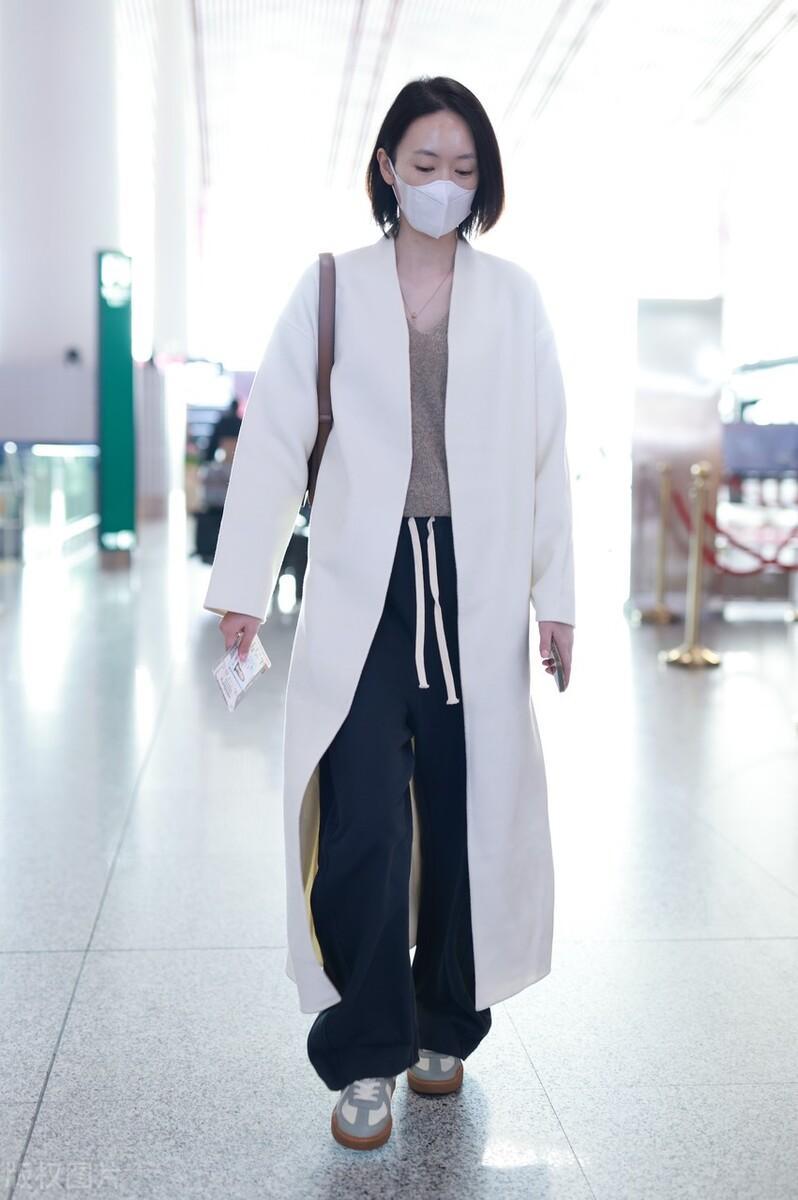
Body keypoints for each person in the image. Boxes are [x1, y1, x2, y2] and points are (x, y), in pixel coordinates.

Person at [203, 75, 575, 1151]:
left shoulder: (515, 299)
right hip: (363, 586)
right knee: (364, 816)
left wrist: (557, 599)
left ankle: (445, 1024)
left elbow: (547, 455)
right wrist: (242, 589)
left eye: (464, 169)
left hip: (476, 581)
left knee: (467, 810)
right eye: (425, 165)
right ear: (386, 169)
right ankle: (366, 1050)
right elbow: (276, 436)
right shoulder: (333, 288)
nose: (444, 185)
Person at [204, 397, 242, 463]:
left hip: (223, 457)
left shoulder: (223, 422)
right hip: (236, 458)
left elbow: (213, 442)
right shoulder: (240, 423)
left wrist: (208, 459)